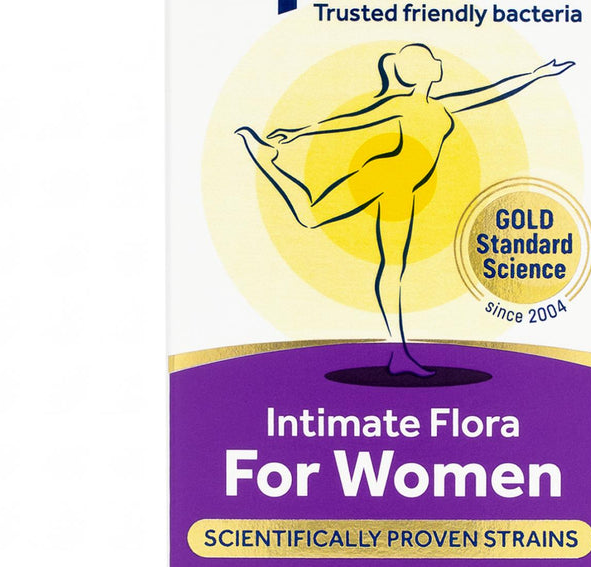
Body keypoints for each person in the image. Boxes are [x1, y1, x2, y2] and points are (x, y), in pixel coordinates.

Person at [237, 43, 573, 376]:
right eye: (432, 59)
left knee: (393, 269)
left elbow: (492, 93)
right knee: (309, 217)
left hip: (403, 192)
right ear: (424, 71)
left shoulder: (442, 107)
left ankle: (399, 354)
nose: (439, 62)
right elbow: (351, 121)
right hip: (383, 175)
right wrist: (299, 132)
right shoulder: (401, 104)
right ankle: (266, 159)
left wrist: (537, 74)